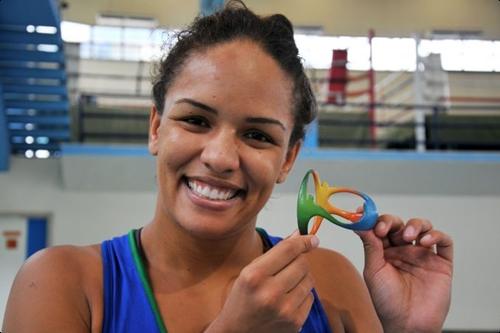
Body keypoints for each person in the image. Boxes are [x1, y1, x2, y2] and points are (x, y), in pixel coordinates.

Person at [2, 1, 453, 332]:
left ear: (288, 158)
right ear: (156, 128)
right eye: (196, 120)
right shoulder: (62, 283)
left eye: (257, 135)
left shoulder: (330, 281)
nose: (219, 157)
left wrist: (407, 331)